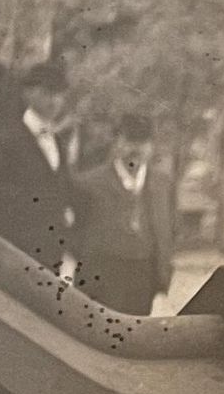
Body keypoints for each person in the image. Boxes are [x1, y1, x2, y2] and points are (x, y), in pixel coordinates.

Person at [0, 59, 77, 276]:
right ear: (29, 92)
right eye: (47, 91)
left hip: (48, 253)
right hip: (15, 248)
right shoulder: (9, 138)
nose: (54, 100)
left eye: (59, 94)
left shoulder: (58, 144)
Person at [70, 113, 176, 315]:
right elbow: (75, 232)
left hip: (144, 278)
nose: (135, 149)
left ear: (151, 146)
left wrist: (162, 274)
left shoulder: (163, 184)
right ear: (116, 142)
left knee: (138, 329)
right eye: (129, 140)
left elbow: (171, 230)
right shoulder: (89, 184)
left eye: (143, 142)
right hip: (102, 278)